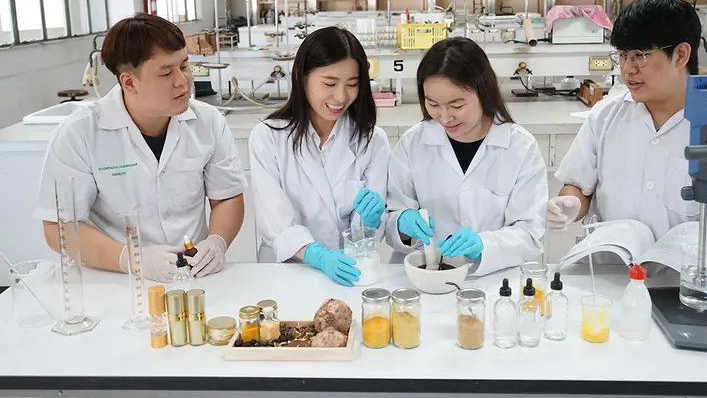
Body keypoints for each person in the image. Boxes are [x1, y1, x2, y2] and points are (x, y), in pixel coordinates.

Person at [34, 14, 246, 282]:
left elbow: (226, 197)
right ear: (129, 82)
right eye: (166, 73)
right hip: (115, 279)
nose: (182, 81)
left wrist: (217, 242)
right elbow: (59, 227)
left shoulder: (208, 122)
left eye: (184, 65)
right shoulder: (79, 134)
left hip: (193, 276)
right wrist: (132, 259)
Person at [549, 0, 707, 250]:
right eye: (622, 55)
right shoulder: (605, 116)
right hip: (611, 267)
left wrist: (683, 255)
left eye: (640, 55)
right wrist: (571, 205)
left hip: (684, 272)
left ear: (681, 54)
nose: (627, 69)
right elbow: (578, 186)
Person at [385, 37, 548, 276]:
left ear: (484, 92)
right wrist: (401, 223)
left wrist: (485, 245)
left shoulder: (520, 147)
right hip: (422, 279)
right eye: (433, 104)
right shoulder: (413, 144)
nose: (444, 117)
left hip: (491, 280)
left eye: (457, 105)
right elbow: (391, 220)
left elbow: (530, 233)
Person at [249, 26, 390, 286]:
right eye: (329, 83)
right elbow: (274, 220)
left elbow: (366, 233)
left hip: (349, 271)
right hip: (286, 273)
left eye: (352, 84)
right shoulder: (268, 137)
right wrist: (318, 255)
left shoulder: (372, 140)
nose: (341, 96)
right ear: (301, 77)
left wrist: (370, 221)